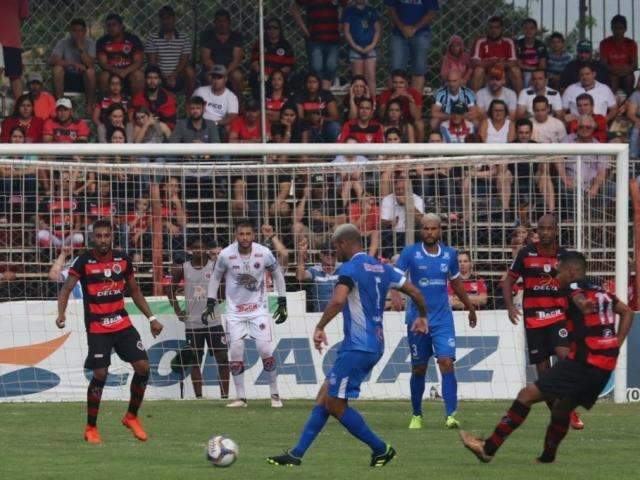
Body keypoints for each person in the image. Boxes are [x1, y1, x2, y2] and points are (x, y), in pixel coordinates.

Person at [267, 223, 428, 467]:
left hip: (357, 347)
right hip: (373, 344)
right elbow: (416, 292)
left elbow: (338, 301)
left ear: (344, 244)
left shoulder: (351, 268)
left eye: (336, 247)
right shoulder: (384, 268)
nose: (336, 252)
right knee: (325, 395)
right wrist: (423, 317)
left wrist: (320, 326)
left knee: (333, 403)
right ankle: (296, 454)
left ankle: (381, 448)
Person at [461, 251, 634, 464]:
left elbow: (577, 297)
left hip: (584, 362)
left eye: (558, 271)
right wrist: (616, 344)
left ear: (571, 272)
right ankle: (547, 457)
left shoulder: (572, 287)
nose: (556, 277)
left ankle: (487, 448)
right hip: (604, 367)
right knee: (562, 409)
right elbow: (628, 312)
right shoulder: (602, 292)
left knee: (526, 395)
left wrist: (582, 305)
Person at [56, 219, 164, 444]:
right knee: (100, 374)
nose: (103, 240)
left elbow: (134, 291)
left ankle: (132, 417)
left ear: (112, 237)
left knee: (144, 367)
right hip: (97, 327)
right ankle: (91, 427)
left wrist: (152, 318)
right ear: (92, 238)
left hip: (122, 324)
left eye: (107, 236)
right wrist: (61, 314)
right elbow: (66, 289)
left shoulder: (122, 259)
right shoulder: (84, 260)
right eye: (99, 236)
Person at [392, 214, 477, 429]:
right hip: (417, 320)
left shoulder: (450, 254)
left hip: (442, 319)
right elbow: (395, 276)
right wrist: (394, 293)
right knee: (419, 368)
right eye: (425, 229)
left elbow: (457, 283)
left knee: (446, 362)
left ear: (440, 230)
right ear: (421, 231)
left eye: (433, 229)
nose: (429, 233)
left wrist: (469, 307)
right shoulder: (410, 252)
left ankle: (450, 415)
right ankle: (417, 414)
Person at [502, 214, 583, 430]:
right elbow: (508, 281)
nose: (545, 232)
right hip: (534, 320)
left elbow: (575, 286)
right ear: (537, 231)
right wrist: (510, 306)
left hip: (557, 316)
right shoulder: (526, 253)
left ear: (556, 231)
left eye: (549, 229)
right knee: (544, 372)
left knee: (565, 357)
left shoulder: (565, 256)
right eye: (541, 229)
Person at [203, 220, 288, 409]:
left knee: (265, 350)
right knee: (235, 351)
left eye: (248, 234)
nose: (245, 238)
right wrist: (210, 301)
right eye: (241, 234)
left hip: (258, 310)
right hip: (234, 312)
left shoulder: (264, 253)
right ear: (236, 235)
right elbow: (216, 277)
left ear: (254, 235)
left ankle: (274, 395)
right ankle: (241, 398)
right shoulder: (225, 255)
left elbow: (278, 275)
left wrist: (282, 300)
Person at [166, 238, 230, 400]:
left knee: (223, 358)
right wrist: (178, 311)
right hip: (193, 324)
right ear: (190, 249)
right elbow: (169, 289)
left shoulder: (215, 267)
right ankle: (199, 397)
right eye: (195, 247)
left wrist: (217, 300)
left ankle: (225, 396)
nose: (198, 251)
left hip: (214, 321)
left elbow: (225, 288)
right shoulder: (183, 268)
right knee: (195, 361)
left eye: (202, 248)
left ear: (207, 250)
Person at [290, 0, 347, 91]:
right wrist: (304, 30)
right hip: (315, 39)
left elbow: (344, 7)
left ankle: (326, 95)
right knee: (316, 69)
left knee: (331, 67)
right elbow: (294, 8)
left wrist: (340, 26)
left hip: (333, 39)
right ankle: (318, 97)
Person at [385, 0, 439, 95]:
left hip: (421, 33)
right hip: (398, 33)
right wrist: (402, 27)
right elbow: (390, 8)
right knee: (395, 70)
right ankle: (394, 106)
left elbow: (432, 11)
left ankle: (415, 105)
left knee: (419, 70)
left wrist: (414, 28)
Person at [145, 5, 196, 96]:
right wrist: (164, 77)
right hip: (159, 75)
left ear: (174, 19)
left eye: (168, 18)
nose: (166, 21)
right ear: (160, 20)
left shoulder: (183, 37)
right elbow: (153, 62)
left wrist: (173, 75)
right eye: (163, 19)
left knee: (190, 71)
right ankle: (153, 104)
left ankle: (190, 103)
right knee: (151, 73)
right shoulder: (153, 37)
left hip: (178, 74)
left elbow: (184, 61)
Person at [50, 18, 97, 110]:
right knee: (57, 69)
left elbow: (90, 65)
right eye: (74, 30)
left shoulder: (90, 43)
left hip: (84, 78)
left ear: (85, 31)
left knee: (90, 72)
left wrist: (81, 48)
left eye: (80, 30)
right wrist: (72, 63)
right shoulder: (63, 42)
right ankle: (61, 104)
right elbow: (52, 60)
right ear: (70, 31)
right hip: (67, 77)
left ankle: (89, 105)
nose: (77, 33)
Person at [559, 115, 610, 198]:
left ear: (593, 129)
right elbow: (558, 158)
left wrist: (595, 187)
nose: (584, 129)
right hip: (571, 181)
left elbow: (602, 171)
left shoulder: (599, 146)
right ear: (577, 128)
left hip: (592, 182)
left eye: (588, 127)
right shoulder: (568, 140)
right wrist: (564, 177)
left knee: (611, 189)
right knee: (567, 189)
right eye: (581, 127)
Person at [96, 13, 145, 95]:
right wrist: (117, 71)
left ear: (121, 26)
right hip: (111, 72)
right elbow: (103, 63)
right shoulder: (102, 41)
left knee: (138, 75)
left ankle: (137, 105)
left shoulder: (133, 39)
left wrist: (125, 72)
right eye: (109, 25)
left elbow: (138, 62)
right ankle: (107, 105)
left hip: (129, 72)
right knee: (103, 76)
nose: (111, 28)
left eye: (114, 25)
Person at [470, 16, 522, 93]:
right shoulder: (481, 42)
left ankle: (520, 102)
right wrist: (490, 63)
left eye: (497, 28)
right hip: (487, 76)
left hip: (504, 76)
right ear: (487, 29)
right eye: (491, 28)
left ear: (501, 29)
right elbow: (474, 62)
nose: (493, 30)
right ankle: (473, 102)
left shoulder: (508, 42)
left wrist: (502, 64)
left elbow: (514, 62)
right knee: (478, 70)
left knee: (515, 70)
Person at [199, 9, 245, 94]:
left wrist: (225, 73)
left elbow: (236, 60)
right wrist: (218, 72)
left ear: (229, 22)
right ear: (214, 22)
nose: (222, 24)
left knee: (238, 76)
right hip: (211, 69)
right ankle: (212, 104)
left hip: (231, 70)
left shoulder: (237, 36)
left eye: (224, 21)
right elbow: (206, 59)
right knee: (210, 78)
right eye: (219, 21)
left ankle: (238, 104)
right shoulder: (206, 35)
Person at [342, 0, 381, 96]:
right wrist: (355, 46)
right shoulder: (349, 11)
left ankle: (372, 103)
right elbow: (346, 31)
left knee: (371, 76)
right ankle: (358, 103)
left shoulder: (371, 10)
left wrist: (372, 45)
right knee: (358, 78)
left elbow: (377, 30)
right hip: (355, 48)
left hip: (370, 47)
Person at [380, 176, 424, 259]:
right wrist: (389, 223)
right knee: (384, 234)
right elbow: (382, 224)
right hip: (393, 234)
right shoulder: (387, 200)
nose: (400, 191)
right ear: (393, 189)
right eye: (397, 189)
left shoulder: (417, 199)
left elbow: (422, 221)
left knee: (420, 232)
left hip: (412, 233)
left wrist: (408, 204)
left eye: (403, 189)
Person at [250, 18, 294, 98]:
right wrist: (263, 73)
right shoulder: (260, 44)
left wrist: (274, 76)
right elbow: (254, 62)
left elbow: (288, 66)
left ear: (280, 30)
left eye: (275, 28)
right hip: (262, 76)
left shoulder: (286, 46)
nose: (272, 30)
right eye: (269, 28)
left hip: (278, 77)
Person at [377, 69, 425, 141]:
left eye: (401, 83)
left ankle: (419, 150)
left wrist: (410, 100)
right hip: (390, 121)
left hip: (408, 122)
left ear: (406, 83)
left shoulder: (414, 93)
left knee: (420, 124)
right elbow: (381, 115)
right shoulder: (385, 94)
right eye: (395, 83)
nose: (398, 86)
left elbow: (417, 117)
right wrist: (390, 99)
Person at [192, 65, 239, 135]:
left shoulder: (231, 97)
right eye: (214, 77)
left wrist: (215, 123)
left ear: (225, 79)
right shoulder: (200, 91)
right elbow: (189, 105)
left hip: (218, 125)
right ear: (210, 79)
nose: (216, 80)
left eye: (219, 78)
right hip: (199, 122)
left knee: (227, 128)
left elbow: (232, 116)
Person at [296, 238, 339, 312]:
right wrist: (301, 254)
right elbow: (300, 276)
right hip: (320, 315)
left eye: (333, 254)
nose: (330, 256)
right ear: (321, 255)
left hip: (340, 315)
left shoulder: (342, 269)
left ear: (336, 256)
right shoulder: (314, 270)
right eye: (326, 253)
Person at [599, 15, 637, 96]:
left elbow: (635, 65)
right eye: (615, 28)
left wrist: (625, 71)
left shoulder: (631, 43)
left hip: (626, 74)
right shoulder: (604, 43)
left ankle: (629, 103)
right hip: (611, 74)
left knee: (629, 78)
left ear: (625, 29)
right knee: (613, 78)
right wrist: (615, 71)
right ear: (611, 29)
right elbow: (603, 64)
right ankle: (610, 104)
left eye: (621, 28)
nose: (618, 31)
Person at [131, 66, 177, 130]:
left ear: (160, 80)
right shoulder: (138, 97)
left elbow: (171, 124)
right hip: (142, 132)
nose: (152, 81)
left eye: (155, 78)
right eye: (149, 78)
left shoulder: (169, 99)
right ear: (145, 80)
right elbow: (131, 120)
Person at [0, 0, 29, 100]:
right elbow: (22, 17)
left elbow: (22, 16)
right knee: (15, 76)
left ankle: (19, 108)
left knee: (15, 76)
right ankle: (19, 109)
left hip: (11, 38)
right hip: (12, 38)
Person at [516, 18, 547, 88]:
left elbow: (542, 65)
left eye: (531, 28)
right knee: (528, 75)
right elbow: (518, 63)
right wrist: (532, 69)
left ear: (536, 30)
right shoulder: (518, 44)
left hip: (537, 71)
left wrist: (534, 71)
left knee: (536, 76)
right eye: (526, 28)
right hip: (522, 72)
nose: (528, 31)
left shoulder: (541, 45)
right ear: (522, 30)